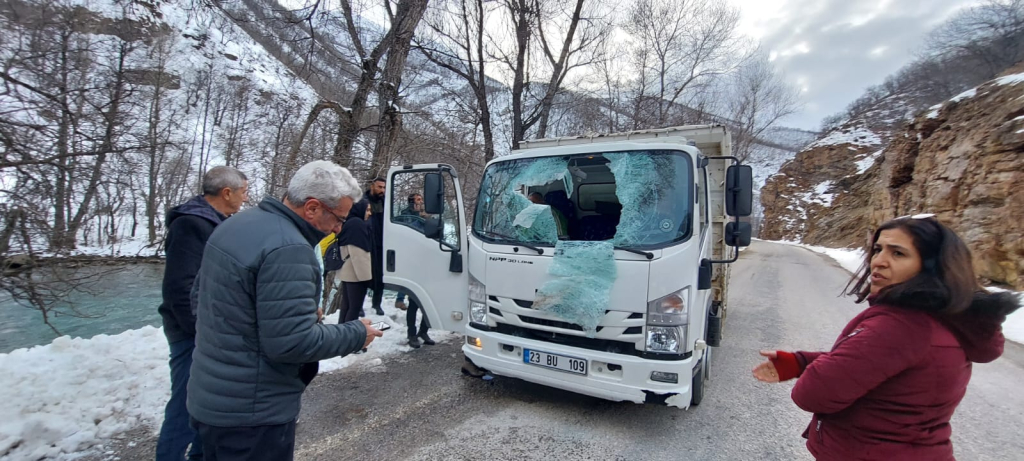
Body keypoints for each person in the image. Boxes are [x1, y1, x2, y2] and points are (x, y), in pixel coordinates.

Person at [752, 214, 1020, 460]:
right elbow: (882, 366)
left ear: (932, 267)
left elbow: (812, 395)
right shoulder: (946, 317)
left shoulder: (902, 327)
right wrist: (801, 362)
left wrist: (813, 370)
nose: (878, 261)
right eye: (878, 249)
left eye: (898, 253)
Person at [187, 160, 383, 461]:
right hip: (253, 416)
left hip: (209, 399)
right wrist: (356, 333)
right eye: (338, 219)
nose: (338, 228)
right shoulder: (290, 249)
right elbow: (291, 343)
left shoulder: (236, 224)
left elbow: (199, 300)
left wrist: (285, 313)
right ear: (313, 207)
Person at [156, 166, 247, 461]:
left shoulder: (217, 223)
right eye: (243, 191)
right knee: (185, 405)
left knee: (207, 406)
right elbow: (180, 288)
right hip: (191, 333)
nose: (245, 198)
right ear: (227, 193)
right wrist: (200, 331)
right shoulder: (191, 224)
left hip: (209, 329)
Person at [336, 198, 373, 326]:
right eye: (367, 210)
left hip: (347, 272)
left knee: (346, 306)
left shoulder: (349, 222)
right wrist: (366, 278)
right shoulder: (357, 224)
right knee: (354, 308)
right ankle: (348, 335)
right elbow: (359, 254)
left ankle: (341, 333)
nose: (369, 213)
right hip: (355, 274)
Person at [367, 177, 387, 316]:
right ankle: (359, 305)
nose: (382, 190)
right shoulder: (363, 201)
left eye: (384, 187)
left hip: (381, 243)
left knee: (380, 275)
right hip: (367, 242)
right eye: (379, 187)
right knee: (363, 274)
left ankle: (377, 303)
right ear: (372, 186)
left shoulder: (385, 202)